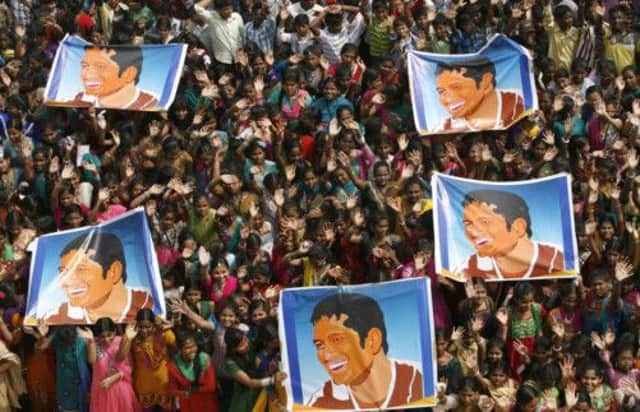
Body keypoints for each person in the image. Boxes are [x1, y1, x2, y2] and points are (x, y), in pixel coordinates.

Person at [307, 292, 423, 409]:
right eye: (319, 345)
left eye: (337, 339)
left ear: (373, 340)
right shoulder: (320, 402)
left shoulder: (420, 380)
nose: (326, 356)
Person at [45, 231, 154, 324]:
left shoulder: (151, 306)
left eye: (81, 269)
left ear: (114, 271)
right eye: (63, 272)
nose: (66, 281)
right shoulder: (55, 317)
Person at [455, 189, 565, 280]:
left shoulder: (559, 259)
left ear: (519, 227)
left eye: (485, 222)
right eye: (468, 224)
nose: (472, 232)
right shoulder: (468, 268)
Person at [433, 59, 525, 132]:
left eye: (457, 87)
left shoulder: (521, 104)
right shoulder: (446, 127)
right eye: (441, 91)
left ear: (486, 82)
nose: (448, 99)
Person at [67, 45, 159, 110]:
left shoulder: (153, 105)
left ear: (129, 74)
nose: (87, 75)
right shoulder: (80, 99)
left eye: (100, 66)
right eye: (85, 66)